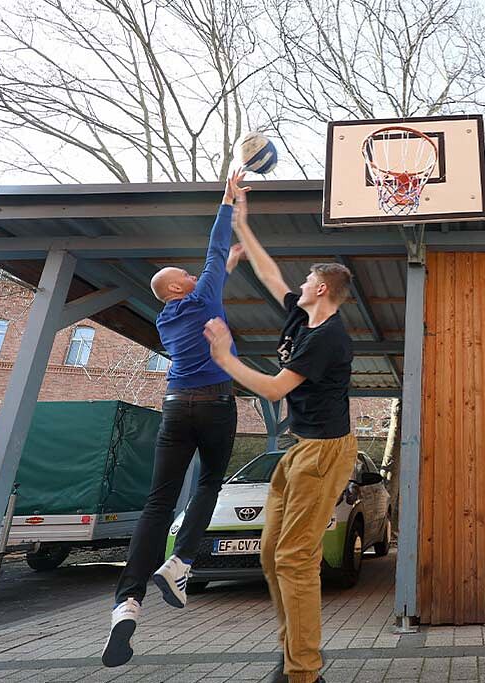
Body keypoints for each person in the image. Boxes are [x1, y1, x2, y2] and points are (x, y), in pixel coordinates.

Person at [203, 186, 355, 683]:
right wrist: (243, 221)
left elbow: (273, 390)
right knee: (272, 552)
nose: (302, 282)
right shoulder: (303, 313)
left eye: (310, 279)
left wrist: (226, 359)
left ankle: (304, 672)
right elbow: (269, 274)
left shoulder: (327, 336)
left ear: (323, 290)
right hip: (300, 448)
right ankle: (294, 654)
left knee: (294, 557)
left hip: (325, 451)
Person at [102, 171, 248, 668]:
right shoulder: (202, 292)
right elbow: (213, 248)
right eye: (185, 273)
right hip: (214, 404)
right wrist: (227, 200)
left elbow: (212, 269)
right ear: (180, 285)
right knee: (209, 482)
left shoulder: (167, 316)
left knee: (158, 501)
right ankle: (181, 560)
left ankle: (127, 604)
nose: (193, 272)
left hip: (175, 405)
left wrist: (225, 264)